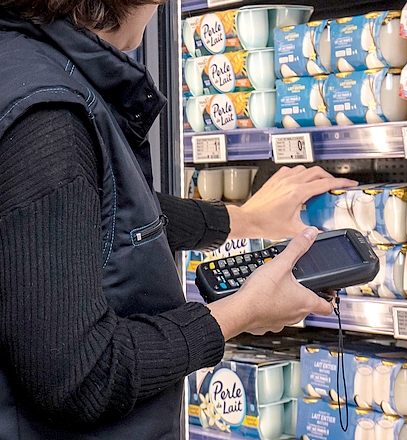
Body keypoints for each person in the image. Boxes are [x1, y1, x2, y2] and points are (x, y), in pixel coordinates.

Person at [0, 1, 357, 438]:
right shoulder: (49, 116)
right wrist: (237, 314)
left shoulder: (20, 62)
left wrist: (241, 219)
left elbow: (87, 212)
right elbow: (80, 377)